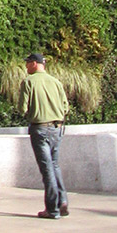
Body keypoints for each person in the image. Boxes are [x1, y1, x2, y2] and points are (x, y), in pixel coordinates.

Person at [18, 52, 70, 219]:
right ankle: (62, 201)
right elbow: (65, 107)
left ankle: (52, 209)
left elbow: (22, 109)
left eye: (27, 63)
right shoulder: (56, 82)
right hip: (57, 128)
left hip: (40, 129)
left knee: (47, 169)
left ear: (34, 63)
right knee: (54, 165)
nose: (26, 67)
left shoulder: (28, 82)